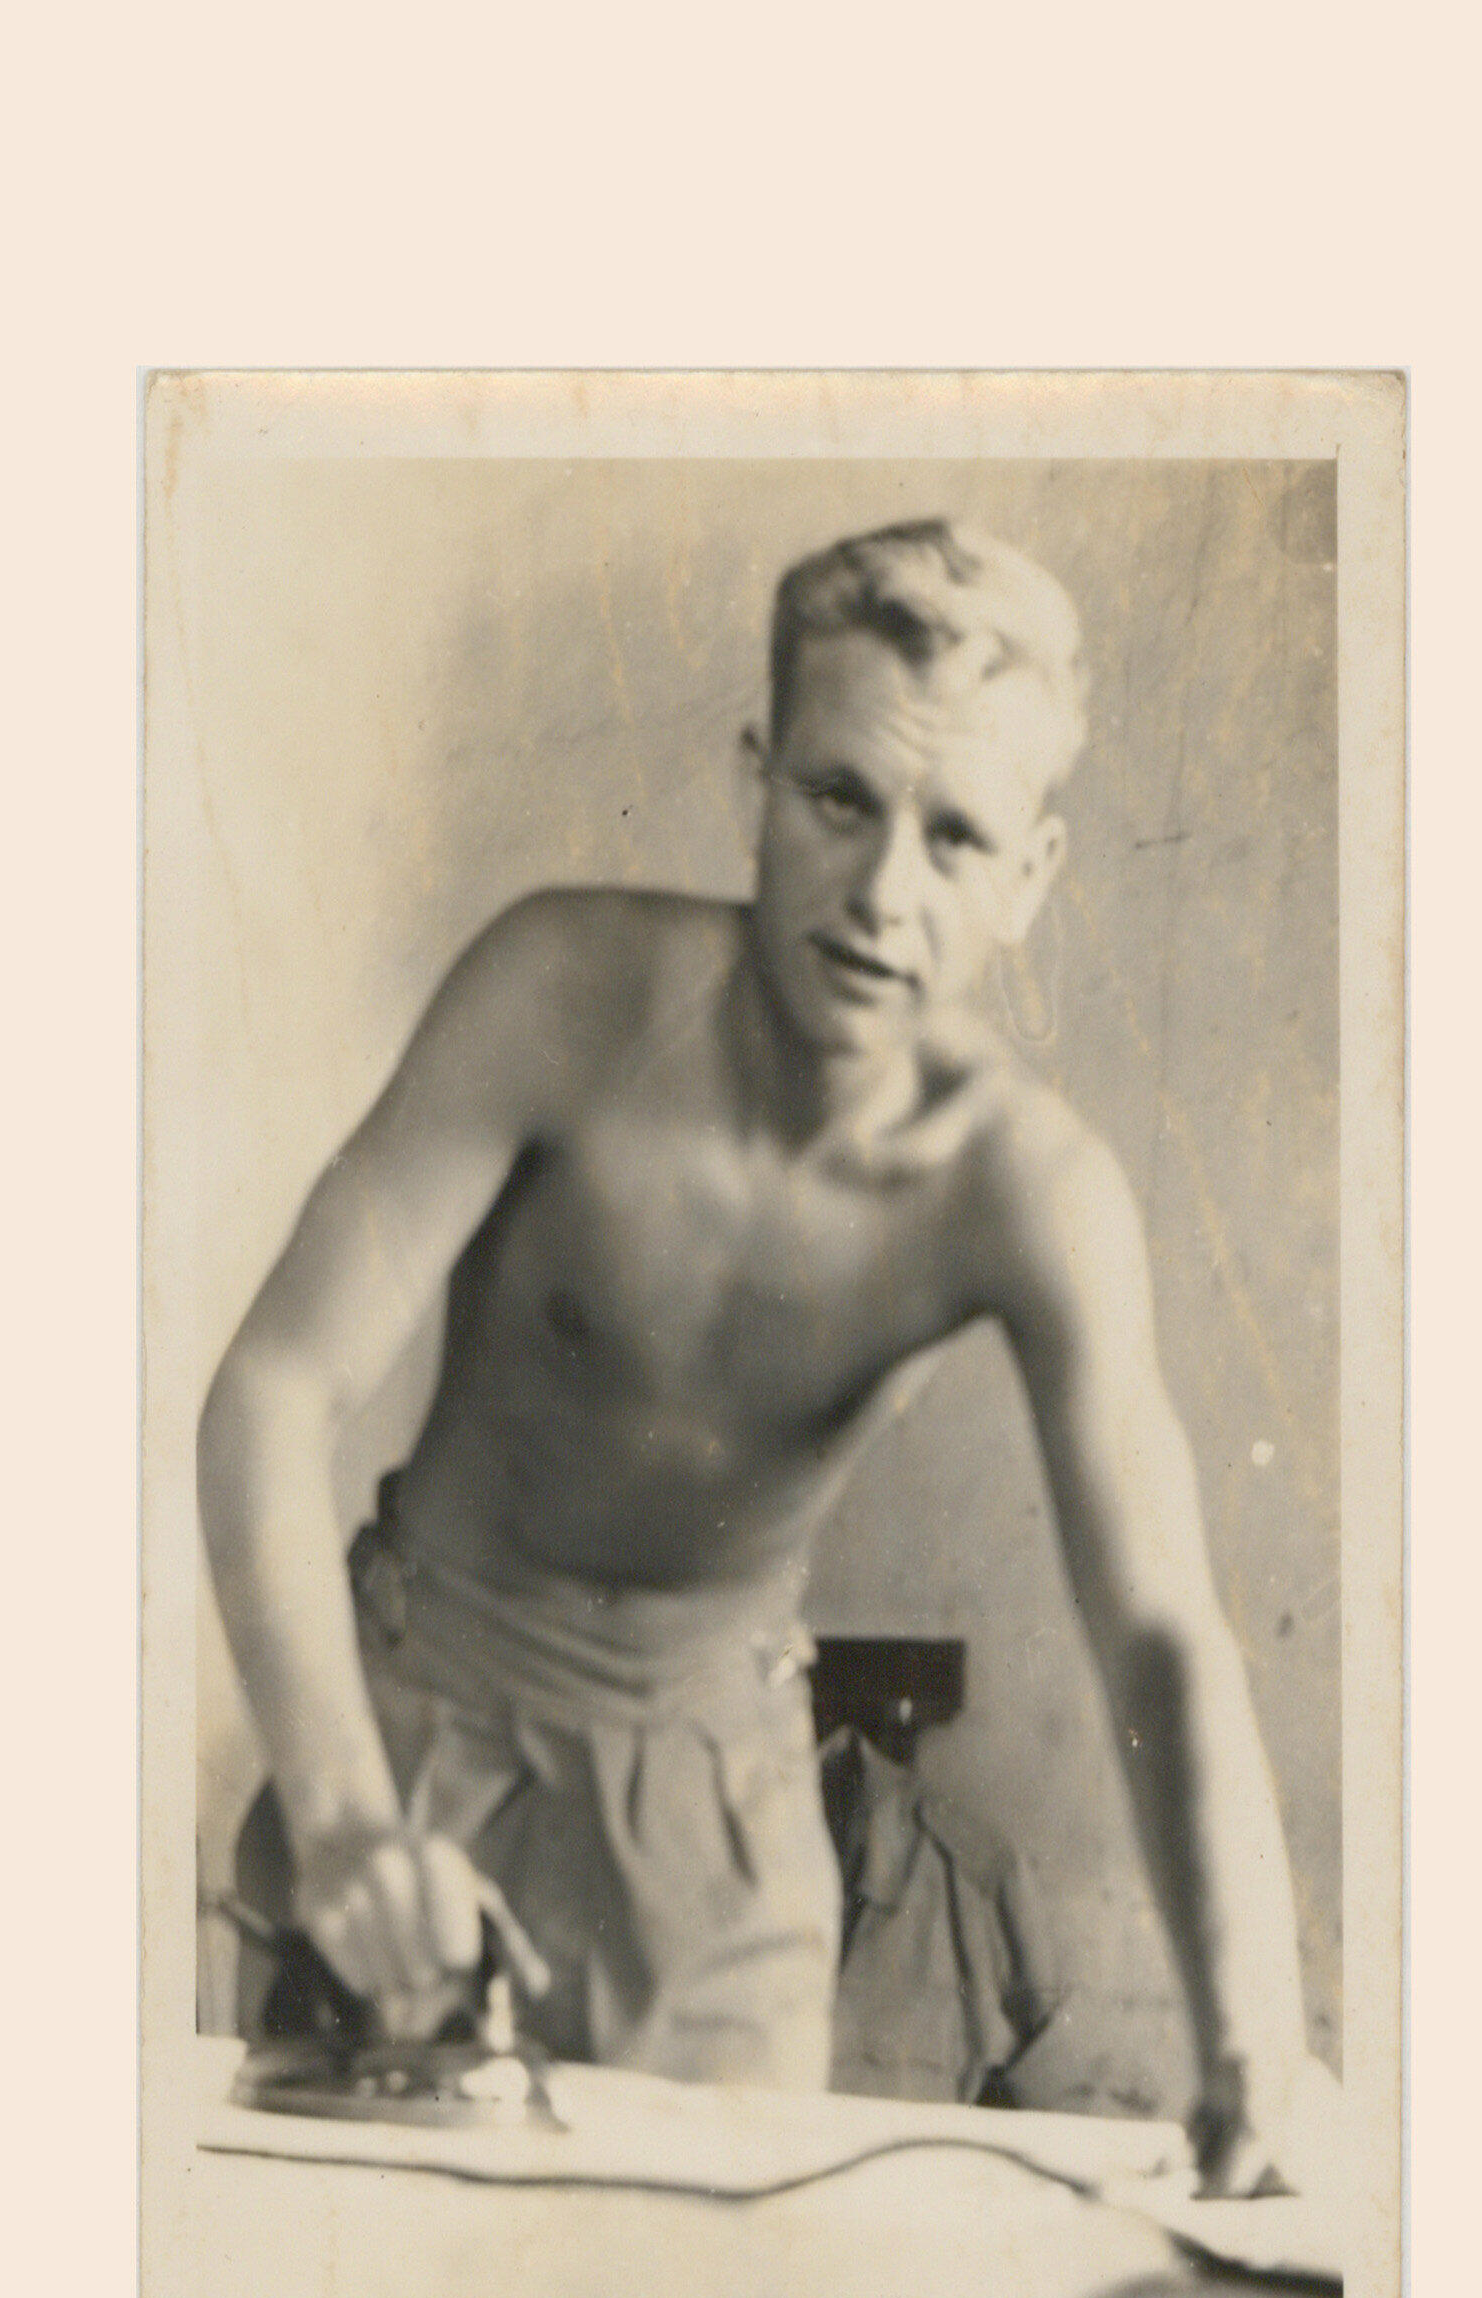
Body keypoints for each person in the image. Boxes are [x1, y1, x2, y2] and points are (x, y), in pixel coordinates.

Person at [199, 520, 1314, 2194]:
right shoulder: (559, 990)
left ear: (1033, 875)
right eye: (840, 799)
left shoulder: (1029, 1190)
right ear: (756, 781)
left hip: (720, 1831)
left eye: (956, 836)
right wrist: (346, 1814)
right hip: (414, 1736)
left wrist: (1251, 2037)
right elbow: (273, 1392)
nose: (883, 894)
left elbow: (1160, 1626)